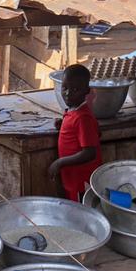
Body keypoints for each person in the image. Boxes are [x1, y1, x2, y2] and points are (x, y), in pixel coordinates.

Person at [49, 64, 102, 202]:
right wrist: (64, 125)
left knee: (81, 214)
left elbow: (90, 152)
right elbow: (96, 132)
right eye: (65, 88)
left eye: (75, 89)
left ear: (86, 91)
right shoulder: (73, 112)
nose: (68, 93)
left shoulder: (83, 118)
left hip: (81, 183)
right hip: (73, 178)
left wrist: (60, 162)